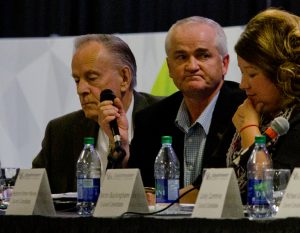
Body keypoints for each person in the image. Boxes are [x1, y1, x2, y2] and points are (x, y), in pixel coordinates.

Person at [100, 16, 246, 202]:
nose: (192, 66)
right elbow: (131, 197)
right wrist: (122, 148)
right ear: (169, 67)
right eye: (182, 57)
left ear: (224, 64)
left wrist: (167, 199)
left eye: (203, 55)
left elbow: (232, 186)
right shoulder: (151, 119)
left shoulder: (243, 110)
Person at [32, 34, 162, 194]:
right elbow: (32, 195)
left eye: (92, 78)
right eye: (77, 80)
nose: (81, 90)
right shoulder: (60, 131)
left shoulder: (163, 116)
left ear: (124, 78)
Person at [226, 8, 300, 203]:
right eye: (241, 73)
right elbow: (207, 185)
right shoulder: (251, 110)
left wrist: (249, 130)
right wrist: (156, 198)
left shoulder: (296, 118)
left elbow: (273, 193)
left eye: (252, 74)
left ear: (282, 73)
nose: (242, 84)